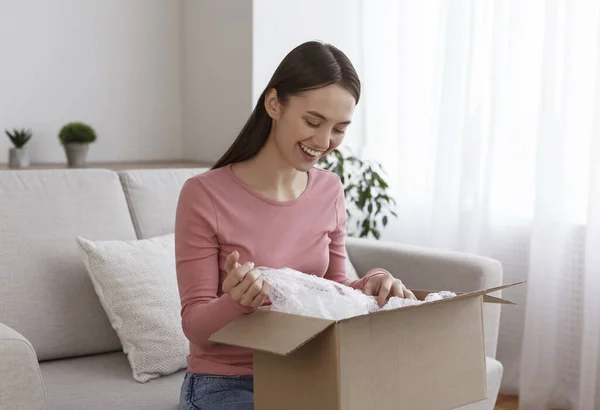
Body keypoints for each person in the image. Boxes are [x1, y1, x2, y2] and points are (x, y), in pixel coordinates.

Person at [175, 40, 415, 410]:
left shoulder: (329, 188)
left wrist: (374, 283)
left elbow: (333, 288)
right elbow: (196, 328)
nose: (323, 142)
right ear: (274, 104)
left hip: (309, 371)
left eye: (339, 129)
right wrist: (235, 302)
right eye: (313, 122)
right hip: (226, 383)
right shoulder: (204, 195)